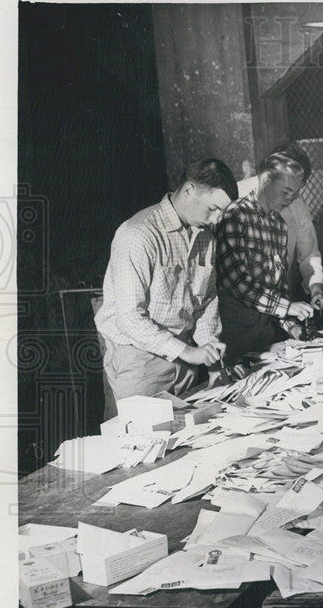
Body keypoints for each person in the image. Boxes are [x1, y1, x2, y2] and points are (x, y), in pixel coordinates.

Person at [95, 158, 238, 419]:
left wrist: (208, 349)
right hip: (140, 359)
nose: (217, 220)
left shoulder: (205, 234)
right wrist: (188, 352)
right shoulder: (138, 234)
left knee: (187, 441)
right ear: (189, 191)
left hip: (185, 356)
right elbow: (129, 318)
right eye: (213, 209)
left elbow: (206, 299)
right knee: (141, 445)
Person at [215, 147, 323, 362]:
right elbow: (236, 283)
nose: (291, 200)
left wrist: (292, 326)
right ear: (265, 179)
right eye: (286, 192)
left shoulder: (279, 225)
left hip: (266, 333)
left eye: (295, 194)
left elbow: (278, 289)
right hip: (234, 336)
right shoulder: (235, 214)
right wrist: (288, 308)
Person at [236, 142, 323, 311]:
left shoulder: (296, 205)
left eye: (296, 190)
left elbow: (309, 254)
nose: (291, 198)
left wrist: (316, 289)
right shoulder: (237, 197)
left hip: (279, 303)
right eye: (286, 190)